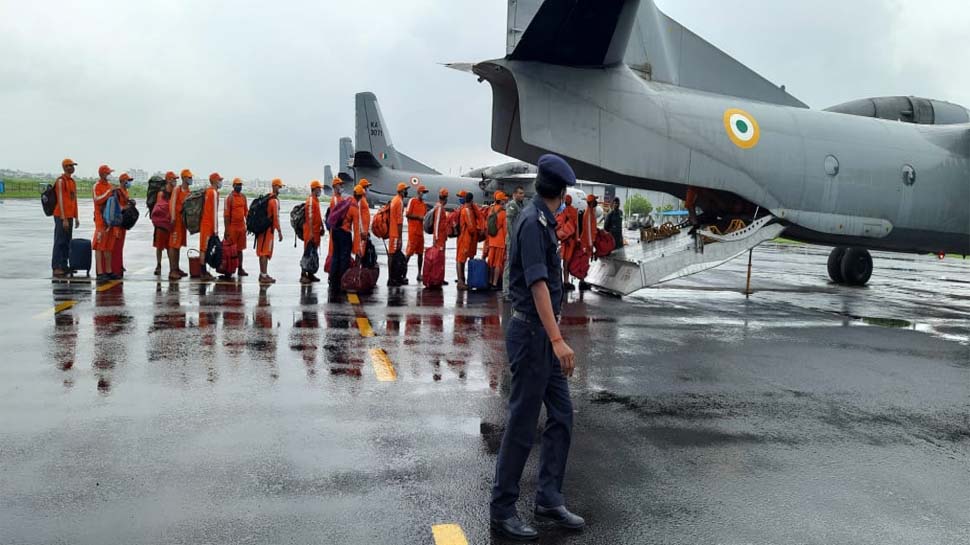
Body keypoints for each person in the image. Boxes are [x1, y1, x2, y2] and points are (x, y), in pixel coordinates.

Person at [490, 154, 582, 540]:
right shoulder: (532, 222)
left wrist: (554, 337)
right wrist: (558, 340)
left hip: (543, 335)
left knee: (561, 414)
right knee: (523, 424)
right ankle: (502, 509)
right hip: (531, 335)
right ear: (560, 192)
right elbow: (538, 284)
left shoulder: (542, 220)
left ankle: (548, 497)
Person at [52, 158, 80, 278]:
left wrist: (76, 216)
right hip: (61, 215)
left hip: (69, 216)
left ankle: (64, 265)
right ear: (64, 167)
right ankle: (56, 266)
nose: (72, 168)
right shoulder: (61, 181)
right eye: (69, 165)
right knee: (60, 241)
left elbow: (74, 200)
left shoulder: (72, 182)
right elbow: (61, 200)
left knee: (67, 241)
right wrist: (63, 218)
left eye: (72, 166)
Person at [92, 164, 118, 283]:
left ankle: (108, 271)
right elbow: (97, 200)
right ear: (102, 174)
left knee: (108, 246)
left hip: (110, 221)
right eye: (108, 173)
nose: (109, 175)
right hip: (101, 221)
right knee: (99, 247)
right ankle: (100, 272)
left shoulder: (110, 186)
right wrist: (108, 192)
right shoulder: (97, 186)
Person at [256, 178, 285, 284]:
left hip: (262, 230)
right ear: (274, 186)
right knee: (264, 253)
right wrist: (279, 231)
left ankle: (263, 274)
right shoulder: (274, 201)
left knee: (263, 252)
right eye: (278, 186)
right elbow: (276, 218)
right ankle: (263, 275)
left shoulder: (268, 198)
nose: (280, 188)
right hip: (268, 231)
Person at [167, 169, 194, 280]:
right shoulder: (177, 189)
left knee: (178, 245)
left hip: (183, 222)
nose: (190, 179)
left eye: (191, 177)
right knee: (173, 245)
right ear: (183, 178)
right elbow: (172, 203)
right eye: (189, 177)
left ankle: (176, 268)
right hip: (176, 221)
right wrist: (173, 218)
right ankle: (172, 270)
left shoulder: (188, 191)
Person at [502, 186, 526, 298]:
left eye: (523, 193)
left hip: (519, 240)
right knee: (509, 265)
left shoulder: (520, 206)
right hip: (512, 240)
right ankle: (506, 291)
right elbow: (509, 224)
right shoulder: (512, 205)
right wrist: (513, 239)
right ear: (515, 194)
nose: (522, 195)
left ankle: (514, 289)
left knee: (517, 265)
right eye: (520, 193)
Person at [199, 172, 223, 281]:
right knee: (204, 249)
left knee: (204, 248)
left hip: (206, 224)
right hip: (209, 225)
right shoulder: (213, 193)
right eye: (219, 180)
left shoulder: (208, 191)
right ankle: (203, 273)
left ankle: (203, 271)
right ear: (214, 181)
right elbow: (214, 213)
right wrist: (215, 230)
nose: (220, 182)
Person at [455, 191, 482, 290]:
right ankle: (460, 281)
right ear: (471, 200)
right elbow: (470, 227)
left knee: (461, 259)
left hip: (464, 238)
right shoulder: (466, 210)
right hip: (465, 238)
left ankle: (462, 280)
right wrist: (477, 233)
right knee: (460, 259)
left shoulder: (464, 209)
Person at [153, 172, 178, 276]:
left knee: (170, 246)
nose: (175, 181)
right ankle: (158, 265)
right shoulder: (161, 193)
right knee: (159, 246)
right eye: (173, 179)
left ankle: (172, 267)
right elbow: (159, 208)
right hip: (161, 224)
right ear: (168, 180)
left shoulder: (175, 192)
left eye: (175, 179)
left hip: (170, 224)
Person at [224, 177, 249, 277]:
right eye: (237, 185)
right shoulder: (229, 198)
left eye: (240, 185)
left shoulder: (243, 197)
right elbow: (226, 215)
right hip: (232, 228)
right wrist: (226, 230)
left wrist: (249, 224)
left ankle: (240, 268)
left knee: (240, 249)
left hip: (242, 227)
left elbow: (246, 212)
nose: (239, 186)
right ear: (233, 186)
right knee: (230, 250)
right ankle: (229, 269)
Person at [301, 180, 324, 284]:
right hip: (310, 232)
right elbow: (309, 217)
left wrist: (321, 226)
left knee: (313, 253)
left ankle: (310, 274)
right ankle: (303, 275)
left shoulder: (316, 201)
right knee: (307, 253)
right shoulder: (310, 201)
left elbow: (318, 215)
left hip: (316, 232)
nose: (320, 190)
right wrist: (310, 232)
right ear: (314, 189)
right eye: (319, 188)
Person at [405, 184, 429, 282]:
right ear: (419, 193)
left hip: (420, 232)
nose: (425, 194)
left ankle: (419, 274)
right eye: (424, 192)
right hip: (413, 232)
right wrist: (418, 217)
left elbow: (425, 217)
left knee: (420, 254)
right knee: (409, 253)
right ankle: (402, 273)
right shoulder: (412, 201)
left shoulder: (424, 205)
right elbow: (407, 214)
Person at [112, 173, 134, 277]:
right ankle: (115, 267)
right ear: (122, 181)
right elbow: (115, 206)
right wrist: (124, 207)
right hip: (117, 222)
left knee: (120, 246)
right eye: (127, 180)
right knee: (116, 246)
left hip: (123, 222)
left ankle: (119, 264)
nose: (129, 182)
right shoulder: (117, 192)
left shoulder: (126, 192)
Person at [387, 182, 409, 287]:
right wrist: (400, 238)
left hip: (392, 232)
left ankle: (393, 277)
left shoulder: (394, 200)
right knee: (392, 255)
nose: (406, 191)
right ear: (401, 191)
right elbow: (399, 222)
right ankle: (392, 278)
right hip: (395, 233)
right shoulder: (399, 202)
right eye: (405, 190)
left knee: (392, 255)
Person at [485, 191, 508, 290]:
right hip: (500, 241)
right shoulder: (503, 213)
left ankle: (489, 281)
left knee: (490, 262)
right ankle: (494, 284)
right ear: (501, 201)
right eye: (504, 200)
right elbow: (505, 229)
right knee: (498, 263)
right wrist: (507, 242)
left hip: (491, 240)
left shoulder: (491, 210)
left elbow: (487, 225)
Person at [558, 194, 580, 291]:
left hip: (562, 240)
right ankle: (566, 282)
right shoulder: (574, 211)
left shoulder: (560, 211)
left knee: (560, 262)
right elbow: (577, 227)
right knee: (567, 262)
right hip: (570, 241)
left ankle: (561, 281)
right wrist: (577, 239)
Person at [430, 188, 451, 286]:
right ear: (445, 198)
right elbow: (437, 223)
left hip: (441, 238)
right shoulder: (439, 208)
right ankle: (437, 278)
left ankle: (440, 278)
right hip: (439, 239)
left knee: (441, 259)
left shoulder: (439, 207)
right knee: (438, 259)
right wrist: (436, 238)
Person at [342, 184, 368, 261]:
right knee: (346, 257)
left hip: (341, 231)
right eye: (366, 187)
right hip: (346, 232)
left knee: (341, 256)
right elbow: (356, 226)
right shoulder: (356, 204)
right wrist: (356, 247)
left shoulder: (349, 200)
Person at [578, 194, 598, 290]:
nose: (596, 202)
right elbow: (588, 231)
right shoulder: (588, 214)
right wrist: (590, 244)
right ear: (592, 202)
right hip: (586, 243)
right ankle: (582, 282)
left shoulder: (590, 212)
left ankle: (583, 281)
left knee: (585, 262)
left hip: (586, 242)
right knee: (584, 262)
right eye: (594, 201)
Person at [325, 177, 345, 271]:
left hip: (339, 230)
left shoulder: (340, 198)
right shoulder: (336, 200)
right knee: (334, 252)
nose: (341, 186)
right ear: (335, 186)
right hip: (337, 230)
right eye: (340, 185)